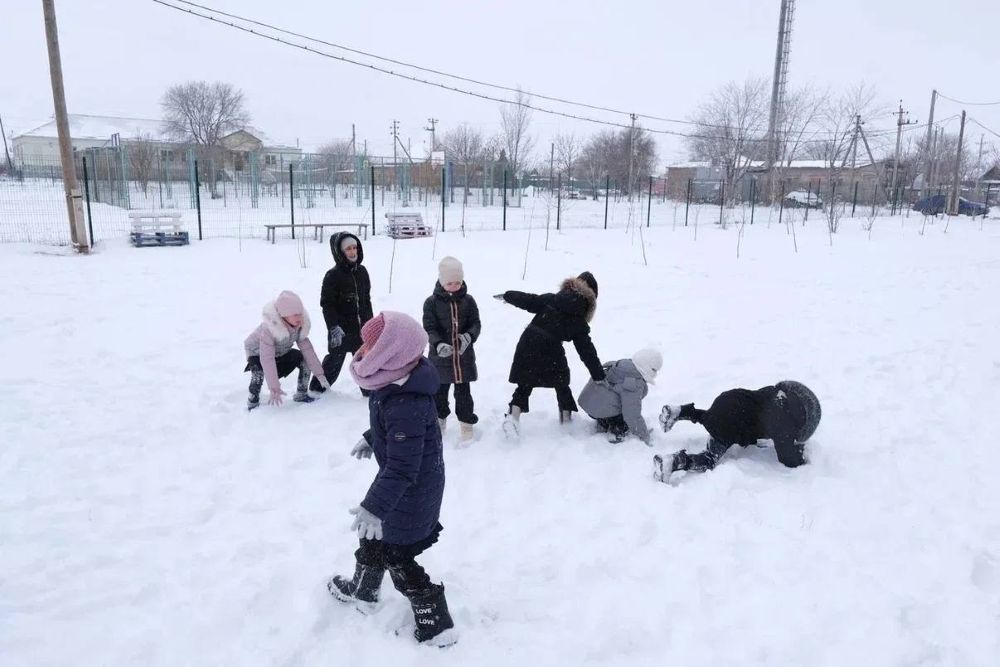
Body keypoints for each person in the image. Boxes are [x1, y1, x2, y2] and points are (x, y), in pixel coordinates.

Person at [327, 311, 456, 647]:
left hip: (410, 492)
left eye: (370, 347)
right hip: (400, 485)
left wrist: (374, 506)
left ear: (391, 354)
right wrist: (374, 437)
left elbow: (403, 463)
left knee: (397, 555)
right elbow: (399, 431)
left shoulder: (405, 399)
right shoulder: (399, 380)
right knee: (373, 536)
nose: (362, 352)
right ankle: (364, 589)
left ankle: (435, 622)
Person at [495, 271, 606, 438]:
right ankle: (566, 419)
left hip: (528, 341)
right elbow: (587, 351)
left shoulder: (552, 299)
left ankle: (513, 416)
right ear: (591, 299)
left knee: (525, 383)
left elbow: (529, 300)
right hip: (551, 348)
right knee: (561, 383)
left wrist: (508, 296)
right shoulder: (578, 320)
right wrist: (598, 375)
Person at [653, 380, 822, 483]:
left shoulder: (776, 393)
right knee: (709, 458)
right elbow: (787, 458)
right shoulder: (785, 425)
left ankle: (680, 411)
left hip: (730, 399)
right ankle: (674, 462)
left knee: (712, 417)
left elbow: (761, 416)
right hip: (730, 423)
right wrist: (801, 456)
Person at [422, 256, 482, 443]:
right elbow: (429, 328)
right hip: (441, 359)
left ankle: (466, 424)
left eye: (458, 282)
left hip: (463, 358)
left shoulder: (469, 301)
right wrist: (438, 344)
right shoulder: (431, 303)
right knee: (439, 394)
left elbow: (476, 323)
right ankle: (438, 423)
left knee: (464, 394)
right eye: (450, 283)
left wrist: (469, 336)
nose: (455, 286)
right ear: (441, 282)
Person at [243, 290, 329, 411]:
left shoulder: (299, 326)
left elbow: (307, 350)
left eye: (300, 313)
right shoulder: (269, 329)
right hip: (257, 353)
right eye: (295, 314)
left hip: (279, 351)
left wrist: (319, 374)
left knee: (304, 359)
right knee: (259, 372)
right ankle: (253, 400)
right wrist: (274, 387)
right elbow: (267, 359)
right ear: (283, 315)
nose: (299, 318)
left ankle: (301, 393)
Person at [310, 232, 373, 393]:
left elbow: (366, 300)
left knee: (364, 361)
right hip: (341, 329)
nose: (353, 252)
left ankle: (369, 390)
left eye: (355, 248)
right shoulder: (333, 276)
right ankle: (318, 389)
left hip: (361, 329)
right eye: (348, 249)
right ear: (340, 252)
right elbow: (327, 305)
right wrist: (333, 327)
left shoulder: (362, 272)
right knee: (334, 360)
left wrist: (371, 325)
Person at [578, 348, 662, 445]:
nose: (655, 374)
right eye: (655, 370)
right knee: (625, 415)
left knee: (613, 396)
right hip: (599, 409)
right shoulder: (634, 382)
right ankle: (616, 432)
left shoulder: (621, 365)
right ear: (648, 367)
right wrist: (644, 435)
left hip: (589, 403)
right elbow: (632, 415)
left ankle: (603, 422)